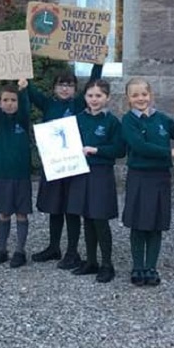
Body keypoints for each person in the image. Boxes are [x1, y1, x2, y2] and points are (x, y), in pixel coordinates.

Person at [26, 64, 103, 269]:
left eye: (69, 85)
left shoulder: (78, 104)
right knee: (54, 207)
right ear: (54, 88)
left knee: (71, 208)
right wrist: (23, 78)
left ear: (75, 89)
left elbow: (93, 81)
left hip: (72, 165)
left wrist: (99, 62)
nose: (65, 89)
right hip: (54, 165)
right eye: (61, 85)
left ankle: (72, 251)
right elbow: (30, 91)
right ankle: (53, 247)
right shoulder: (48, 104)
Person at [119, 78, 174, 287]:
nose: (140, 98)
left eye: (144, 94)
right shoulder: (128, 121)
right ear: (128, 99)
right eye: (135, 95)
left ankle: (151, 267)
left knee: (156, 224)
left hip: (160, 178)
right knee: (139, 224)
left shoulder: (161, 118)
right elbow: (140, 146)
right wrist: (170, 153)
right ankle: (137, 267)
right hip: (139, 177)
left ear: (151, 96)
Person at [65, 79, 124, 283]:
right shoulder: (77, 119)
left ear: (107, 98)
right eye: (90, 95)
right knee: (87, 217)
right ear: (85, 97)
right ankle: (91, 261)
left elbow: (119, 149)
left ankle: (107, 264)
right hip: (80, 173)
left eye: (99, 96)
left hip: (100, 173)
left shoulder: (112, 122)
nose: (94, 99)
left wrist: (97, 150)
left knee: (99, 218)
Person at [0, 81, 32, 269]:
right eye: (5, 100)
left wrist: (24, 90)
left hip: (21, 175)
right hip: (3, 175)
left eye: (13, 100)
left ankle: (20, 251)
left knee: (21, 213)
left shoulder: (22, 120)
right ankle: (2, 249)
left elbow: (24, 110)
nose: (9, 103)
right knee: (4, 213)